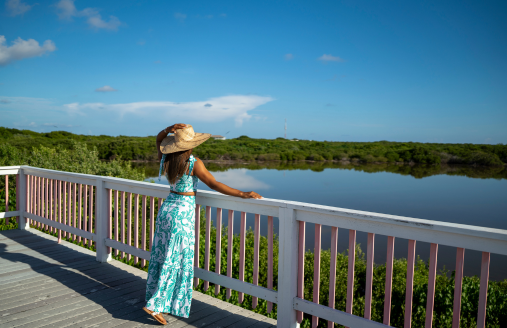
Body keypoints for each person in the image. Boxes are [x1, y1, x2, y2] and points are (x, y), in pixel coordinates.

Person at [143, 123, 262, 325]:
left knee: (163, 256)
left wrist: (168, 128)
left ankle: (159, 300)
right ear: (190, 145)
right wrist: (243, 193)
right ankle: (155, 304)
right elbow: (214, 183)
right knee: (177, 259)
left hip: (168, 209)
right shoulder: (193, 162)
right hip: (183, 213)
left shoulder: (166, 158)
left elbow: (158, 139)